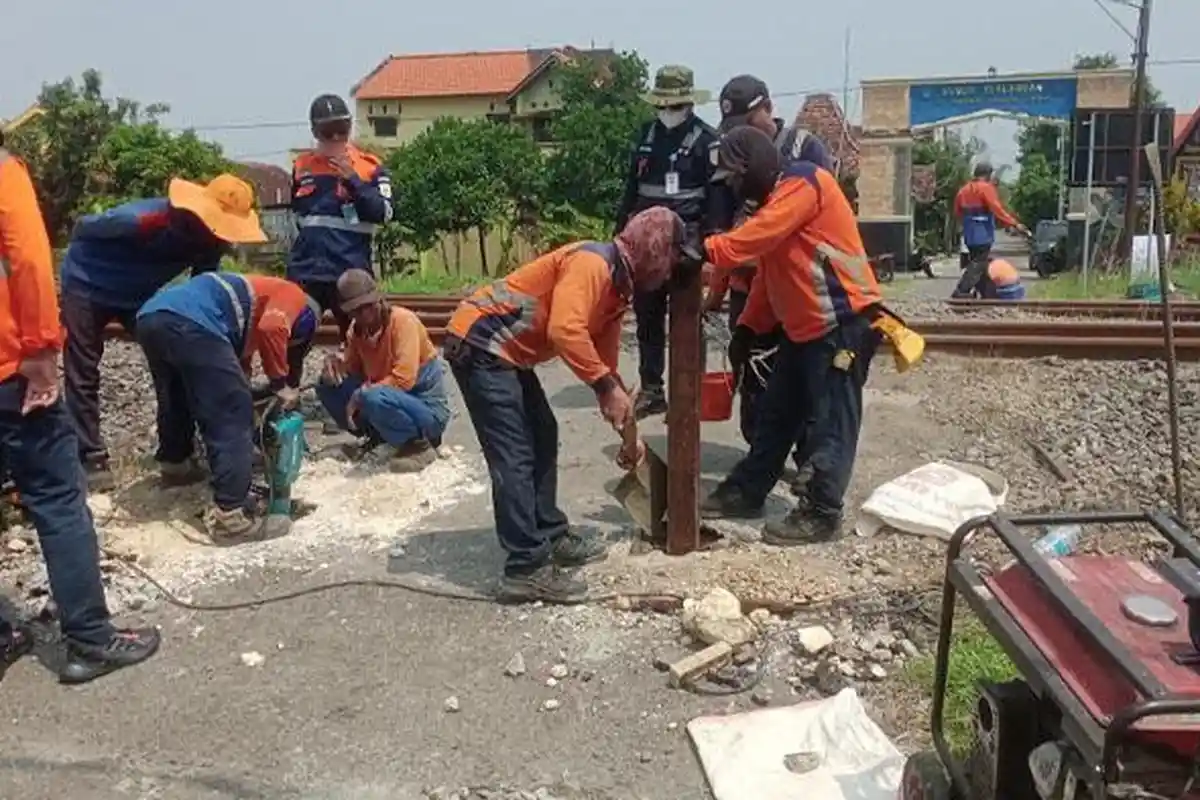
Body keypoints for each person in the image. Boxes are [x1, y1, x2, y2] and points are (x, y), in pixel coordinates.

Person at [445, 207, 683, 603]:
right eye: (671, 259)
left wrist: (630, 437)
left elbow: (603, 369)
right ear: (654, 251)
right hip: (480, 342)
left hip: (504, 350)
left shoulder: (616, 289)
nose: (670, 272)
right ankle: (525, 568)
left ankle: (549, 534)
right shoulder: (593, 264)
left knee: (543, 433)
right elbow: (564, 329)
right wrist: (604, 386)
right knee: (515, 453)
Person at [0, 134, 159, 684]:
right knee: (57, 498)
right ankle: (91, 640)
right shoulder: (3, 171)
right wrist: (43, 351)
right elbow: (27, 259)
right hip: (9, 372)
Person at [697, 126, 883, 544]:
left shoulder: (804, 180)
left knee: (831, 423)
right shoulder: (775, 205)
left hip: (843, 324)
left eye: (733, 178)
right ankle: (747, 490)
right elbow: (770, 279)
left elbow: (750, 241)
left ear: (752, 168)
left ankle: (822, 512)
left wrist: (705, 247)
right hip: (805, 331)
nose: (732, 189)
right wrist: (749, 328)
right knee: (776, 417)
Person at [58, 174, 267, 490]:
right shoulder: (143, 219)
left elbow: (201, 295)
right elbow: (82, 230)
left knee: (176, 359)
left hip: (139, 294)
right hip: (87, 283)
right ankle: (91, 458)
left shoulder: (211, 242)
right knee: (82, 370)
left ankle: (176, 455)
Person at [703, 75, 836, 477]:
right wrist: (716, 291)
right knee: (753, 375)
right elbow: (724, 231)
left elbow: (813, 225)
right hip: (750, 286)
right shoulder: (731, 155)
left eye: (747, 121)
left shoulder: (804, 151)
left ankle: (809, 465)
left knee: (805, 379)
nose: (741, 131)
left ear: (768, 109)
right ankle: (761, 459)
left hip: (797, 285)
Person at [135, 272, 319, 539]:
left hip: (151, 317)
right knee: (232, 413)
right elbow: (273, 328)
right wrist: (280, 383)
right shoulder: (294, 296)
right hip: (191, 321)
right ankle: (230, 515)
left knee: (177, 396)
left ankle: (176, 465)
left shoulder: (241, 315)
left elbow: (232, 371)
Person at [614, 65, 731, 419]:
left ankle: (689, 393)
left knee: (686, 320)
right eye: (662, 105)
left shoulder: (707, 141)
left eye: (675, 105)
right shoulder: (645, 136)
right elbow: (631, 189)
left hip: (686, 243)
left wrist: (709, 243)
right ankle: (652, 389)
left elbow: (717, 197)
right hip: (646, 244)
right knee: (647, 317)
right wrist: (620, 233)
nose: (668, 111)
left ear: (689, 104)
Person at [318, 269, 451, 471]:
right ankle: (378, 437)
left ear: (379, 299)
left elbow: (404, 380)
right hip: (385, 399)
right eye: (357, 310)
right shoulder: (356, 331)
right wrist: (335, 366)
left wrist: (361, 394)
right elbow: (354, 371)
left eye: (368, 306)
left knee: (371, 396)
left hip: (425, 413)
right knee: (328, 386)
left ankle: (418, 445)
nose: (364, 314)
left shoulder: (403, 322)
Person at [287, 93, 393, 341]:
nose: (336, 138)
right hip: (307, 272)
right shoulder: (302, 167)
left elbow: (384, 213)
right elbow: (296, 216)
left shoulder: (370, 167)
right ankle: (292, 368)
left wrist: (353, 181)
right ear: (315, 132)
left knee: (364, 338)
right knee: (293, 332)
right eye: (328, 131)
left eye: (342, 129)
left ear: (350, 127)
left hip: (350, 271)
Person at [952, 162, 1027, 298]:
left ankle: (987, 293)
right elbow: (997, 209)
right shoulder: (986, 188)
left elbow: (957, 212)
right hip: (983, 233)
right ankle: (962, 290)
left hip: (969, 233)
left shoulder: (963, 190)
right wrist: (1015, 224)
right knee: (979, 262)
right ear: (987, 174)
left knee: (980, 262)